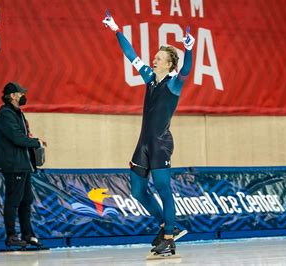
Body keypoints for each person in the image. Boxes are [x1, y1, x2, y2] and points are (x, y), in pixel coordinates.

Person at [102, 12, 195, 256]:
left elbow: (186, 69)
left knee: (164, 190)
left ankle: (169, 239)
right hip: (143, 143)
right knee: (137, 191)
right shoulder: (149, 78)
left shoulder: (174, 84)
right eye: (154, 57)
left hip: (161, 144)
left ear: (169, 64)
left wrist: (189, 49)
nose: (153, 60)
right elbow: (130, 54)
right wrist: (116, 30)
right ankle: (167, 226)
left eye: (159, 58)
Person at [0, 82, 47, 248]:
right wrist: (34, 142)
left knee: (26, 200)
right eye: (21, 93)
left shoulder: (18, 113)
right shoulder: (5, 114)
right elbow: (16, 137)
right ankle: (11, 236)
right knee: (13, 200)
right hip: (12, 164)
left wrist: (33, 140)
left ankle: (27, 235)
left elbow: (22, 135)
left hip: (23, 163)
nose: (23, 96)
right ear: (13, 96)